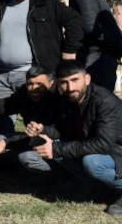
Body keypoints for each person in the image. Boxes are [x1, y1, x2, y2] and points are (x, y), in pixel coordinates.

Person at [0, 0, 83, 140]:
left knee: (36, 126)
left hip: (33, 74)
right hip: (3, 74)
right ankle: (1, 152)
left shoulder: (47, 3)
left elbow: (74, 20)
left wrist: (70, 48)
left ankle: (37, 154)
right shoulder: (0, 5)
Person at [29, 61, 122, 215]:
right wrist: (43, 130)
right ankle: (94, 187)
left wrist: (56, 149)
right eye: (64, 82)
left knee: (92, 162)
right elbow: (63, 130)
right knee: (43, 142)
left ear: (87, 79)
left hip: (116, 151)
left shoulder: (105, 101)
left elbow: (103, 144)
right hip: (97, 148)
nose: (70, 87)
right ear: (58, 83)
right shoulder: (68, 99)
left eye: (75, 80)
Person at [0, 65, 59, 170]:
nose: (34, 88)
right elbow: (7, 107)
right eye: (30, 83)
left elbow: (51, 132)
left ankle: (54, 173)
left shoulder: (56, 98)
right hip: (29, 136)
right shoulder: (24, 92)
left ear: (51, 83)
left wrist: (6, 142)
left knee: (26, 156)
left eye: (39, 84)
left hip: (52, 140)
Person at [69, 0, 122, 91]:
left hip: (102, 59)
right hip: (96, 61)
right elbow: (91, 27)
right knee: (98, 99)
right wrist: (116, 43)